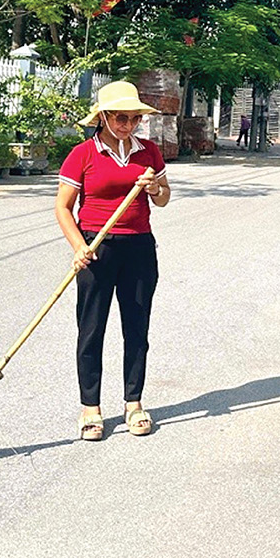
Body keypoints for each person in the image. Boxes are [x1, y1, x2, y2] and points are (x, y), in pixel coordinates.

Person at [55, 81, 172, 442]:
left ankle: (133, 402)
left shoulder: (149, 151)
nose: (128, 124)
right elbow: (63, 207)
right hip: (96, 246)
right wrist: (79, 246)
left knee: (137, 329)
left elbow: (164, 199)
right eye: (121, 117)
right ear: (103, 117)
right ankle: (90, 408)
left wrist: (155, 189)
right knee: (91, 329)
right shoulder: (83, 154)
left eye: (134, 118)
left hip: (139, 247)